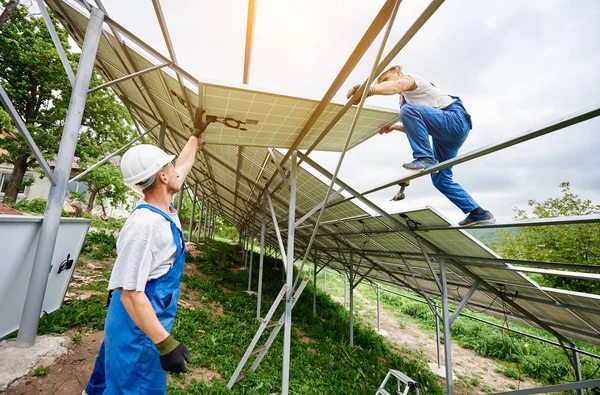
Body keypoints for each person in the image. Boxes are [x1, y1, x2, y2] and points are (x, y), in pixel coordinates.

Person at [83, 109, 207, 395]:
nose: (178, 170)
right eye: (171, 167)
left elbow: (184, 164)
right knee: (134, 386)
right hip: (138, 326)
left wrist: (195, 135)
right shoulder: (145, 226)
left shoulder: (163, 208)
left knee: (110, 381)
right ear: (163, 177)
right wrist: (165, 344)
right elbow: (130, 293)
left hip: (140, 320)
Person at [346, 65, 495, 226]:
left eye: (386, 79)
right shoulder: (405, 103)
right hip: (445, 136)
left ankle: (424, 157)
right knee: (440, 179)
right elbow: (418, 127)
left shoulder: (411, 79)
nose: (384, 83)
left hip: (454, 119)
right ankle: (478, 213)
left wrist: (368, 90)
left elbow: (397, 86)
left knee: (409, 111)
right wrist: (395, 127)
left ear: (397, 71)